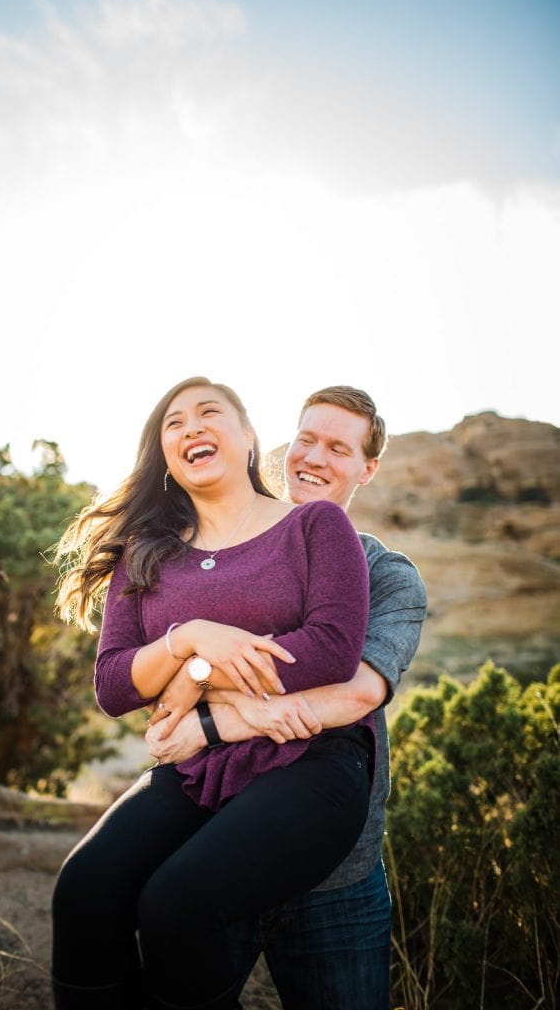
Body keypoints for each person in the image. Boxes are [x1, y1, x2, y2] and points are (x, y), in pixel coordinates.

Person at [51, 377, 376, 1010]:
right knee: (84, 890)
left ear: (251, 438)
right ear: (165, 452)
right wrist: (191, 638)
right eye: (174, 423)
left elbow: (333, 649)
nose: (191, 427)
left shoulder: (315, 525)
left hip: (311, 760)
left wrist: (194, 674)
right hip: (196, 765)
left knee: (177, 903)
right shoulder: (144, 554)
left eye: (210, 413)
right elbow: (114, 684)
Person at [146, 385, 428, 1010]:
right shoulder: (227, 549)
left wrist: (219, 721)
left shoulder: (390, 575)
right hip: (216, 842)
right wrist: (197, 666)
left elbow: (353, 693)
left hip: (338, 878)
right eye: (307, 438)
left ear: (367, 469)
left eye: (339, 448)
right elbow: (167, 681)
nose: (316, 457)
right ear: (282, 445)